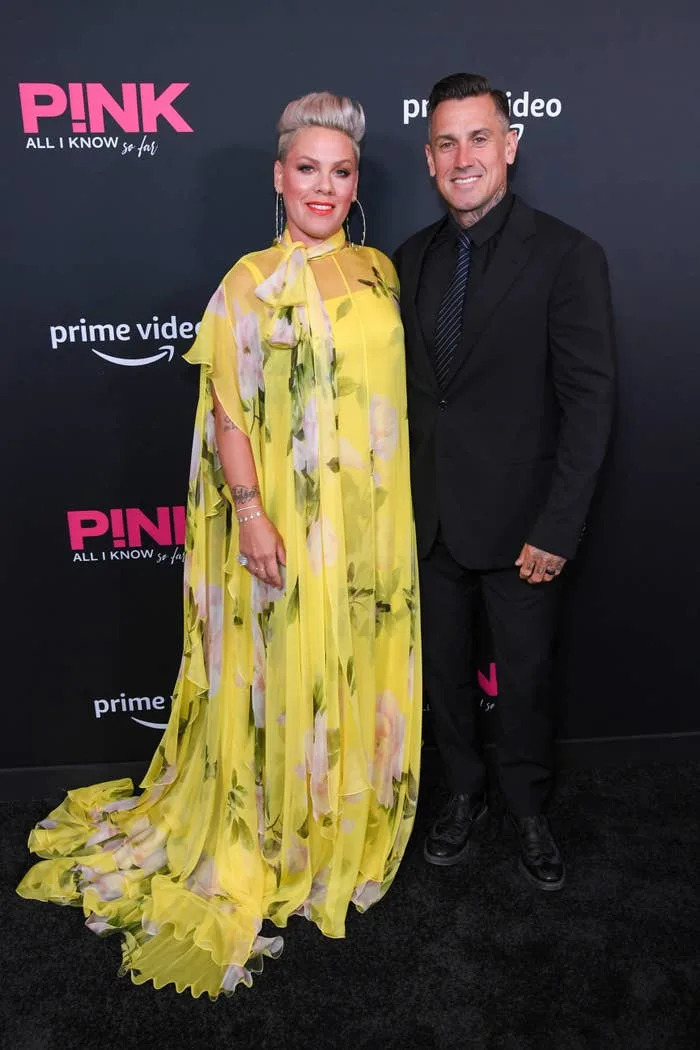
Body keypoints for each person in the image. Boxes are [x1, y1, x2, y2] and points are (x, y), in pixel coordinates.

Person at [18, 92, 421, 997]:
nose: (324, 186)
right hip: (287, 527)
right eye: (307, 169)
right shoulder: (249, 281)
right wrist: (252, 514)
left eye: (341, 171)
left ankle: (337, 831)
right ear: (278, 177)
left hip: (374, 534)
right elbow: (228, 414)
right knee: (284, 683)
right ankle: (275, 838)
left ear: (357, 184)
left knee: (357, 675)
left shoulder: (379, 272)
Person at [394, 73, 615, 890]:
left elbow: (589, 401)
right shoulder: (406, 260)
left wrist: (558, 526)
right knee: (444, 677)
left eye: (479, 138)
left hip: (526, 528)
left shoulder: (566, 255)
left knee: (523, 681)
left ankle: (526, 809)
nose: (464, 158)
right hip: (426, 521)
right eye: (447, 143)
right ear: (428, 158)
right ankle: (463, 795)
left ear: (510, 146)